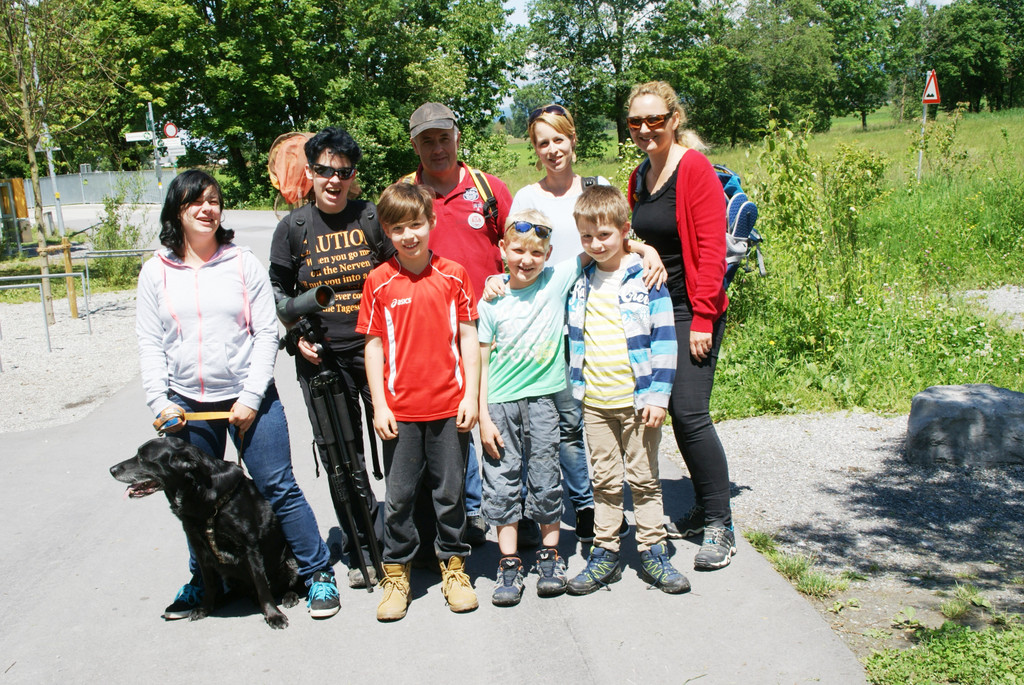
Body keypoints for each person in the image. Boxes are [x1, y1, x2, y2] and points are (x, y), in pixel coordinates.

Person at [136, 169, 340, 621]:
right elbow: (150, 342)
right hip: (187, 405)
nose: (208, 209)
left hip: (249, 398)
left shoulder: (240, 261)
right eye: (197, 201)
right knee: (193, 499)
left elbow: (267, 332)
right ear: (178, 209)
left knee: (277, 486)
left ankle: (317, 573)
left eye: (214, 200)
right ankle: (204, 581)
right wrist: (160, 402)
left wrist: (250, 396)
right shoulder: (156, 271)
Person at [268, 127, 389, 589]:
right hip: (321, 360)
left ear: (353, 176)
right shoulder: (293, 228)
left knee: (397, 445)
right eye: (323, 171)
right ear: (310, 171)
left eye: (343, 172)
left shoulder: (370, 217)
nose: (333, 181)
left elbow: (397, 271)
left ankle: (395, 543)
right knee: (342, 456)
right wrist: (295, 332)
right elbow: (278, 290)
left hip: (376, 352)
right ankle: (361, 548)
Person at [357, 182, 481, 621]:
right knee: (399, 497)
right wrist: (380, 405)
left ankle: (454, 567)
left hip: (450, 407)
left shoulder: (454, 275)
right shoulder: (379, 281)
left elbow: (469, 337)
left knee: (450, 495)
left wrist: (470, 395)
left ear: (430, 223)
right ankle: (396, 573)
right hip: (401, 411)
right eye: (397, 228)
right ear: (387, 232)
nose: (409, 235)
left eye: (416, 225)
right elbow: (372, 346)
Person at [625, 80, 736, 570]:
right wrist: (640, 247)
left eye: (655, 120)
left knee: (691, 413)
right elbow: (635, 235)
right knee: (666, 410)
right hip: (654, 311)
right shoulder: (637, 177)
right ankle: (703, 509)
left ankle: (720, 525)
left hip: (693, 306)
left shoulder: (694, 169)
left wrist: (705, 316)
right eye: (636, 122)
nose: (646, 130)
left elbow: (711, 249)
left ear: (674, 120)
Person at [564, 185, 690, 596]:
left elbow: (666, 340)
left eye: (605, 235)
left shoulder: (645, 278)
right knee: (603, 480)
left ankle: (653, 548)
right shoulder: (579, 279)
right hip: (595, 402)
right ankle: (606, 552)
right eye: (587, 237)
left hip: (638, 401)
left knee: (645, 478)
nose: (596, 244)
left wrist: (658, 396)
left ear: (624, 231)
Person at [401, 102, 513, 547]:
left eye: (443, 137)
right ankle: (462, 513)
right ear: (414, 145)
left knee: (498, 413)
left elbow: (524, 244)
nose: (437, 148)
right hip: (431, 331)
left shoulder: (488, 188)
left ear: (457, 137)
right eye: (426, 140)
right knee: (450, 421)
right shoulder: (405, 193)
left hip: (491, 329)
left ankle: (508, 508)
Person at [477, 209, 583, 606]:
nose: (526, 259)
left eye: (536, 253)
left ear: (548, 254)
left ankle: (550, 555)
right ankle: (509, 563)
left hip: (543, 402)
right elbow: (481, 362)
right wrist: (483, 417)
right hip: (500, 406)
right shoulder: (490, 301)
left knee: (544, 476)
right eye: (517, 250)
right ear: (503, 249)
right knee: (502, 479)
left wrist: (645, 249)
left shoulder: (556, 282)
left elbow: (597, 247)